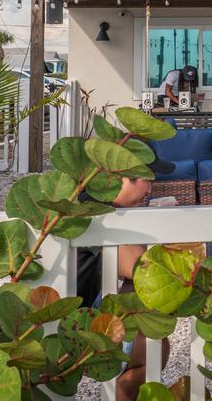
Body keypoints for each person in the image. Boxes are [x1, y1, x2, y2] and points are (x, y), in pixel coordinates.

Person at [75, 156, 175, 401]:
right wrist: (158, 229)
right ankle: (122, 391)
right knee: (153, 346)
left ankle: (121, 390)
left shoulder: (92, 204)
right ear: (118, 178)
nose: (150, 190)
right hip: (70, 332)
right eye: (146, 180)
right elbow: (143, 270)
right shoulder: (96, 215)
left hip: (76, 313)